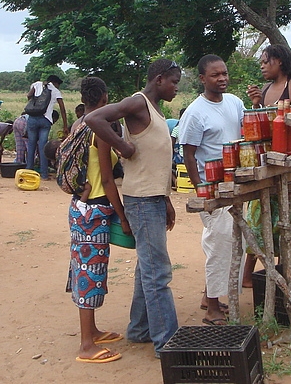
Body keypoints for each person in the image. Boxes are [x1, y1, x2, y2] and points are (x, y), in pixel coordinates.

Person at [84, 58, 181, 358]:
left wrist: (166, 199)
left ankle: (140, 329)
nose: (177, 88)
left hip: (153, 198)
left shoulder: (155, 110)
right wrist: (121, 146)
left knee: (148, 267)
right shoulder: (137, 103)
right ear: (160, 79)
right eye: (174, 82)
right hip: (141, 201)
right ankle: (168, 343)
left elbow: (156, 161)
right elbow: (94, 119)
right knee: (158, 273)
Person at [178, 55, 244, 325]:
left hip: (235, 183)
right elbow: (189, 155)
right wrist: (201, 190)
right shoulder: (195, 112)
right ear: (202, 79)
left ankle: (210, 295)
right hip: (212, 188)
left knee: (228, 240)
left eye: (224, 73)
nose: (222, 78)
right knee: (219, 243)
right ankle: (213, 309)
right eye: (215, 75)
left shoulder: (235, 103)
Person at [69, 77, 130, 364]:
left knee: (86, 268)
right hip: (94, 210)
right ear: (105, 98)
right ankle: (85, 346)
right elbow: (107, 179)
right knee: (89, 272)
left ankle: (91, 330)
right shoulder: (99, 131)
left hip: (79, 208)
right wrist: (122, 216)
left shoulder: (78, 124)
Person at [243, 44, 291, 287]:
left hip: (289, 164)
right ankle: (248, 276)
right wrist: (256, 104)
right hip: (266, 162)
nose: (262, 66)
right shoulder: (265, 89)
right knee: (257, 220)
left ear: (279, 61)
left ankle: (280, 275)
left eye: (266, 61)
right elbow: (261, 126)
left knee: (285, 222)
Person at [26, 75, 69, 180]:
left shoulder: (37, 84)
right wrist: (65, 125)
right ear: (55, 82)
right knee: (42, 147)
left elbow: (28, 95)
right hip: (46, 120)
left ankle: (28, 172)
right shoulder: (55, 91)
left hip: (32, 118)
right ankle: (44, 174)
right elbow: (62, 109)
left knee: (31, 145)